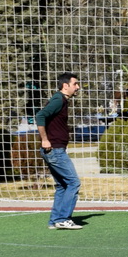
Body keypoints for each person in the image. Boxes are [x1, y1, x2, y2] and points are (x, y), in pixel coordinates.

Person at [37, 73, 83, 230]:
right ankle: (63, 218)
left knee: (62, 185)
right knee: (73, 182)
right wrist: (44, 139)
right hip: (54, 150)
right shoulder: (58, 99)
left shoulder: (62, 100)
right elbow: (40, 116)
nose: (78, 87)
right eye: (75, 84)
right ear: (66, 86)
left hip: (55, 149)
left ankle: (55, 220)